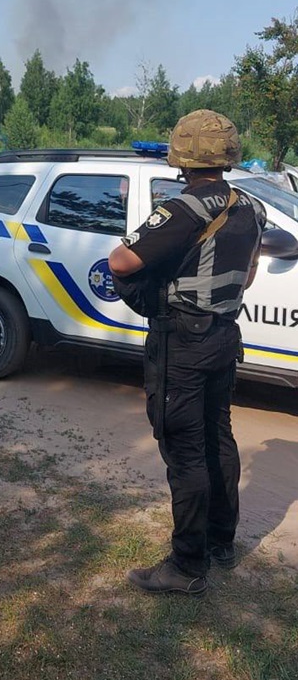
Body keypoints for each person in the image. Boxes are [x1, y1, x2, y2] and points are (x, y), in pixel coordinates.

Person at [108, 110, 265, 596]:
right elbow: (249, 275)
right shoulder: (252, 207)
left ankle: (187, 566)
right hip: (224, 337)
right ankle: (221, 544)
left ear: (182, 158)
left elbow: (121, 260)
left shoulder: (182, 208)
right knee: (219, 440)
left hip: (183, 345)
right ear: (227, 155)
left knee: (185, 451)